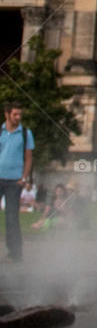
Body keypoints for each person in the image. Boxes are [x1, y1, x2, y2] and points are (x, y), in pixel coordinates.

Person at [0, 101, 33, 262]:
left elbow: (28, 158)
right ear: (7, 114)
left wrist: (24, 177)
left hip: (15, 181)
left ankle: (15, 253)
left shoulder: (25, 133)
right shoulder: (0, 131)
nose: (18, 117)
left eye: (20, 114)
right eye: (15, 114)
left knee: (12, 217)